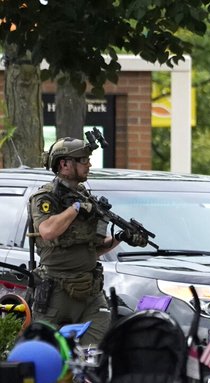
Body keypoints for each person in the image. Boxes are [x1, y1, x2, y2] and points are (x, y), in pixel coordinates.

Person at [28, 137, 148, 346]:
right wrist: (75, 209)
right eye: (83, 160)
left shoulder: (88, 199)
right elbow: (47, 231)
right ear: (64, 164)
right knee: (47, 353)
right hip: (56, 291)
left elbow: (94, 248)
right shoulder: (46, 198)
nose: (89, 165)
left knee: (94, 353)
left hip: (90, 292)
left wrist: (121, 237)